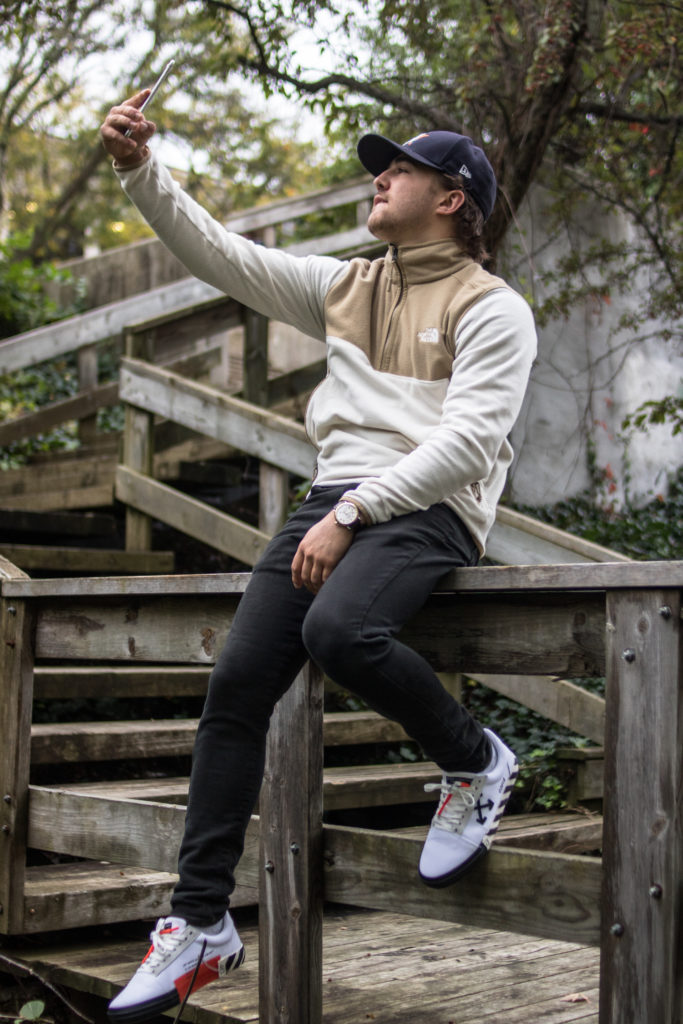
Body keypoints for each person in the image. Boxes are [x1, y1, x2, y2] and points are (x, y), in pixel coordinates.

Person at [100, 91, 537, 1024]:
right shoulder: (345, 285)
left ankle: (474, 761)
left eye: (401, 169)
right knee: (235, 689)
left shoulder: (494, 309)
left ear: (451, 198)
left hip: (427, 507)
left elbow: (467, 444)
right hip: (331, 502)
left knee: (340, 632)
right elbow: (222, 254)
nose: (379, 179)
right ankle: (199, 922)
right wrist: (141, 171)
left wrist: (356, 509)